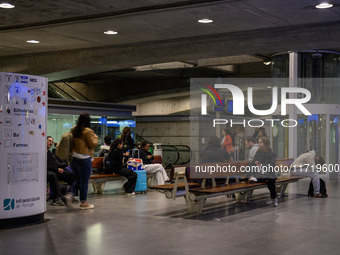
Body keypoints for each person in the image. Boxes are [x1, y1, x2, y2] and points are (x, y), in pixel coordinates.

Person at [66, 113, 98, 210]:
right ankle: (83, 203)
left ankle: (70, 195)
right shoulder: (87, 131)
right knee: (84, 181)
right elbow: (93, 144)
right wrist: (95, 137)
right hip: (84, 159)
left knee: (77, 179)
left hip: (74, 159)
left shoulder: (74, 129)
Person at [248, 137, 278, 207]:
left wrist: (262, 165)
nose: (259, 144)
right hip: (259, 173)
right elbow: (253, 163)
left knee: (270, 180)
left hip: (268, 173)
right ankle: (274, 198)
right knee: (269, 181)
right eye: (258, 142)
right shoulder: (258, 152)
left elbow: (272, 165)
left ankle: (274, 198)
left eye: (260, 142)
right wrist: (256, 163)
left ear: (265, 143)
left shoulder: (272, 153)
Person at [46, 136, 65, 206]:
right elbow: (47, 166)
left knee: (70, 174)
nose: (50, 143)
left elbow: (53, 164)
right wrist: (57, 169)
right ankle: (57, 197)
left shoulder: (49, 153)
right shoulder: (42, 152)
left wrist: (58, 169)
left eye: (52, 142)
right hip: (45, 171)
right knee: (52, 175)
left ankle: (70, 195)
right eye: (49, 141)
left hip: (52, 170)